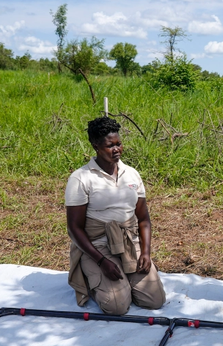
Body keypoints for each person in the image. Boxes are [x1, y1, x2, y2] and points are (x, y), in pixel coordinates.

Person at [65, 116, 166, 315]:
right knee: (116, 306)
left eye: (119, 144)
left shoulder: (131, 174)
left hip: (128, 243)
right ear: (96, 147)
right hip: (98, 245)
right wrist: (101, 261)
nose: (116, 149)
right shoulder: (81, 178)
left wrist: (145, 252)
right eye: (110, 146)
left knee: (155, 300)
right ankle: (89, 280)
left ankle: (125, 280)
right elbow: (74, 228)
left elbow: (144, 218)